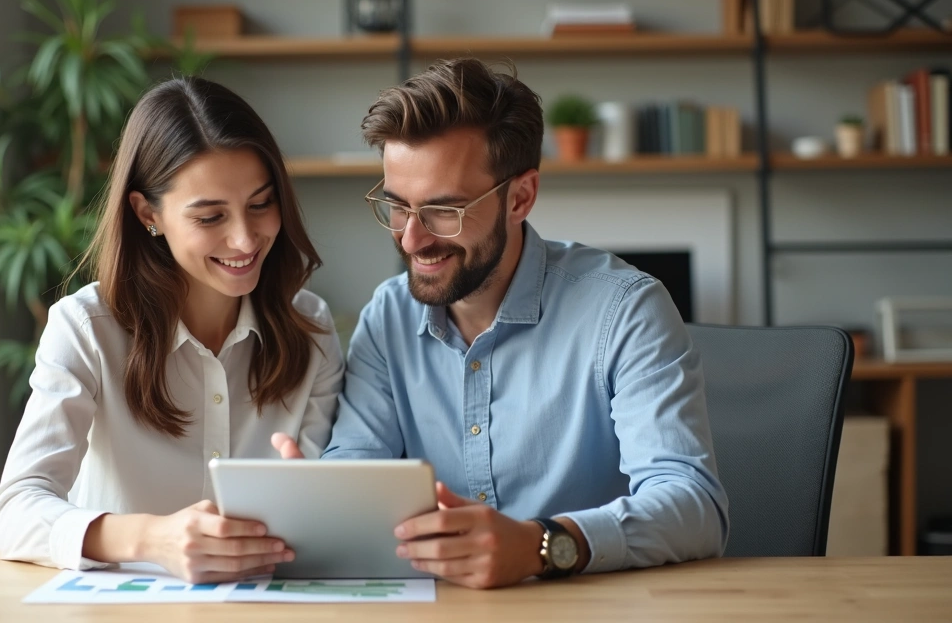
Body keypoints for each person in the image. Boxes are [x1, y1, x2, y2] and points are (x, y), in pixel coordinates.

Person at [272, 58, 729, 589]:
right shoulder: (388, 317)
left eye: (445, 211)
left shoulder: (625, 310)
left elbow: (695, 507)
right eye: (397, 206)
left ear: (521, 197)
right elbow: (358, 465)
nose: (411, 240)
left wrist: (543, 545)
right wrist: (314, 497)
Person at [0, 77, 344, 583]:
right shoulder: (86, 329)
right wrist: (153, 539)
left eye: (261, 204)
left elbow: (324, 517)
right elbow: (12, 514)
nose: (245, 238)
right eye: (211, 216)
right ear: (147, 214)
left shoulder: (310, 327)